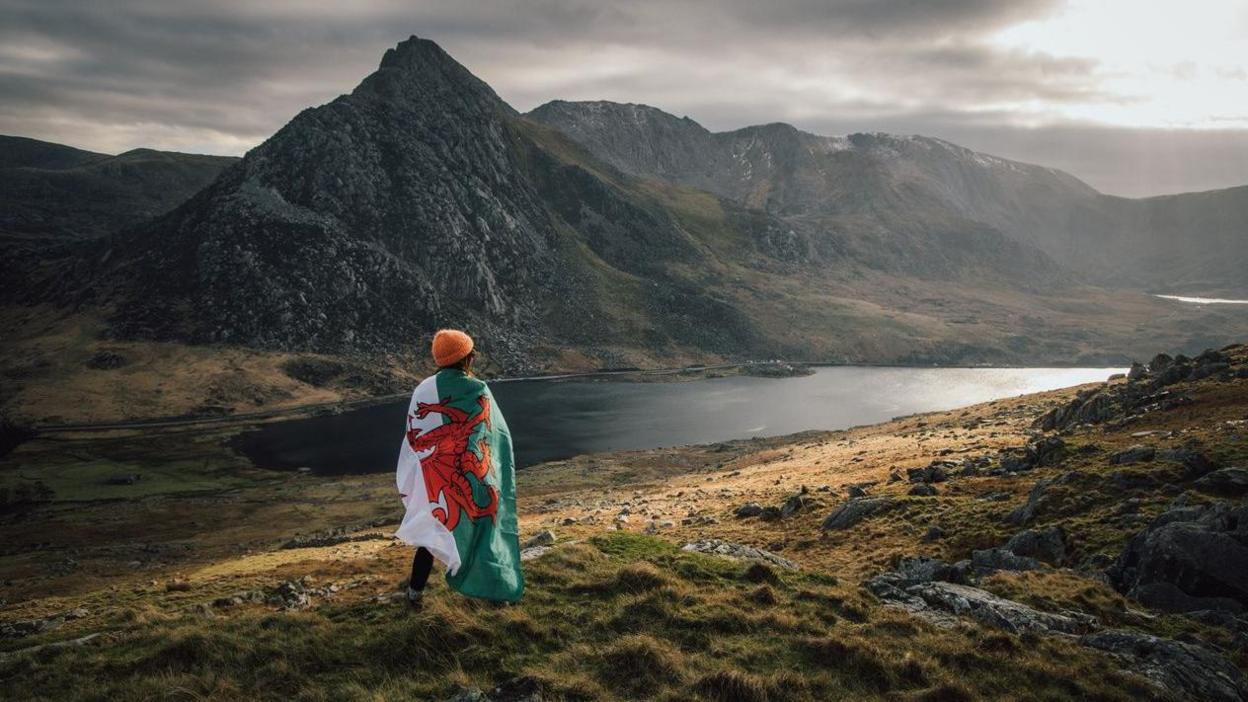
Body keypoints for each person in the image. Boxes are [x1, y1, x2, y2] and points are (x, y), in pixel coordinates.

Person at [394, 329, 524, 607]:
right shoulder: (478, 389)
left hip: (434, 478)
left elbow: (415, 436)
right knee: (485, 530)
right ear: (467, 358)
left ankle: (414, 593)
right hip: (473, 473)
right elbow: (493, 434)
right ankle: (495, 593)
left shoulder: (423, 390)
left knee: (431, 533)